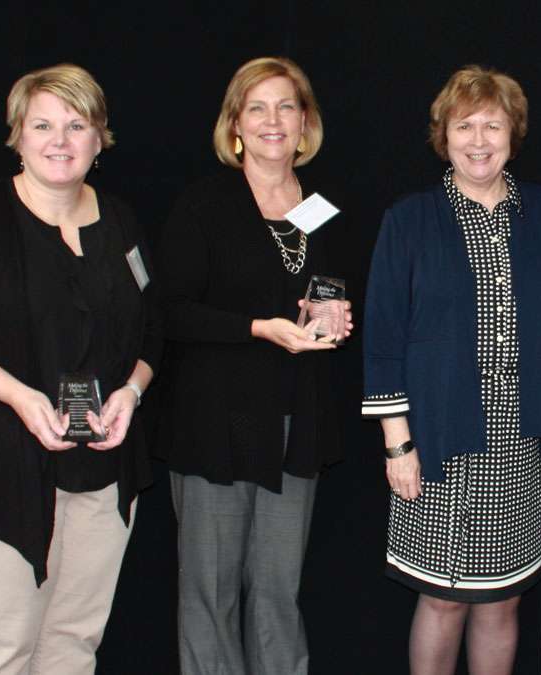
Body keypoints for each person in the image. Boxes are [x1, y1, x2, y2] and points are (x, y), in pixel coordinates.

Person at [0, 63, 158, 674]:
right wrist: (20, 397)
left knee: (72, 643)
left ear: (100, 140)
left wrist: (131, 389)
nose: (60, 139)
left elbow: (154, 326)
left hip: (101, 466)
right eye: (43, 123)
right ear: (17, 135)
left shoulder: (121, 221)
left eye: (77, 125)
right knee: (4, 645)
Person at [362, 65, 541, 674]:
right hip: (437, 444)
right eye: (465, 125)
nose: (479, 139)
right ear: (445, 134)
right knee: (441, 603)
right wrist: (397, 443)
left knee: (501, 604)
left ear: (513, 133)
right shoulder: (409, 219)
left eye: (493, 124)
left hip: (520, 444)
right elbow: (382, 338)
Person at [157, 56, 351, 674]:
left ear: (305, 123)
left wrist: (337, 317)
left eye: (286, 107)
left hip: (296, 423)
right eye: (257, 108)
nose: (273, 121)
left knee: (277, 593)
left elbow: (331, 290)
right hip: (215, 424)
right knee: (210, 596)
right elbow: (171, 313)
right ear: (235, 123)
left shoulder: (323, 206)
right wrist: (257, 329)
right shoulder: (204, 204)